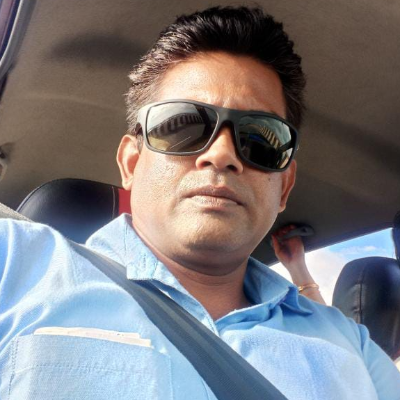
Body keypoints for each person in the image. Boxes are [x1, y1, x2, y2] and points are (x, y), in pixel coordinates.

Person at [0, 6, 399, 400]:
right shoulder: (16, 264)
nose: (222, 154)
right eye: (182, 125)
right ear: (131, 163)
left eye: (260, 138)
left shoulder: (353, 346)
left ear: (284, 187)